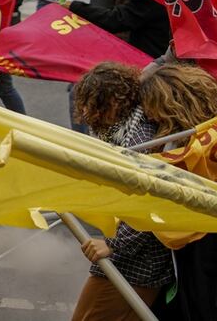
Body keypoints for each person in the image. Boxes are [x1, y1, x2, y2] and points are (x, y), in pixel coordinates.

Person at [139, 64, 217, 321]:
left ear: (171, 103)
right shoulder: (209, 134)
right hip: (201, 246)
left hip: (204, 250)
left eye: (152, 105)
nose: (149, 115)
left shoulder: (201, 144)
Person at [70, 63, 173, 321]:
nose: (86, 112)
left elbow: (151, 201)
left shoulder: (140, 141)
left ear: (115, 102)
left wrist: (113, 245)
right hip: (132, 252)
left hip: (138, 258)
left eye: (94, 104)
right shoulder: (120, 129)